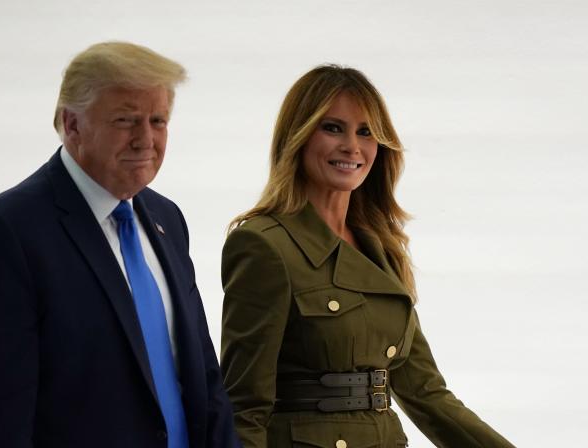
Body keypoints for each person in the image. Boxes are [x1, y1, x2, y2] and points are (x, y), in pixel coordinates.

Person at [0, 41, 239, 448]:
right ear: (72, 124)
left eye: (158, 120)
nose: (146, 139)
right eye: (126, 120)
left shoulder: (165, 218)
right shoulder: (5, 234)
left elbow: (204, 379)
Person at [220, 65, 514, 447]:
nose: (352, 147)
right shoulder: (264, 245)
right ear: (299, 136)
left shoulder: (381, 249)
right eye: (332, 128)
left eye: (366, 132)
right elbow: (244, 407)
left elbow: (426, 394)